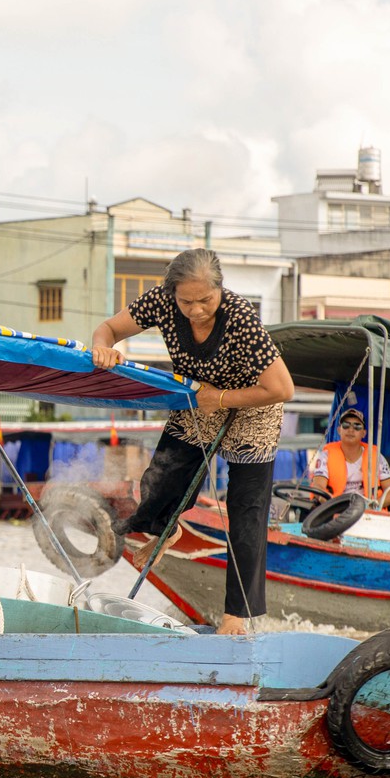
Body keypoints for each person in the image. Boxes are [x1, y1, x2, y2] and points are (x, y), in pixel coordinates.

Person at [91, 248, 295, 633]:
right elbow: (109, 329)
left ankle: (236, 615)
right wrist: (104, 345)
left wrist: (219, 399)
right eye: (187, 301)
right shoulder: (161, 302)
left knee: (246, 512)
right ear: (173, 295)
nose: (197, 309)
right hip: (197, 399)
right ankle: (167, 526)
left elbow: (282, 388)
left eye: (206, 300)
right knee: (164, 478)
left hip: (254, 406)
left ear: (220, 289)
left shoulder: (241, 319)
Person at [310, 406, 390, 509]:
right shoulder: (326, 455)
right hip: (335, 512)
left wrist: (372, 506)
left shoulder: (377, 456)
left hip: (369, 514)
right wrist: (330, 504)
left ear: (364, 433)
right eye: (346, 425)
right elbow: (318, 486)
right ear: (339, 430)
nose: (351, 430)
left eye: (357, 426)